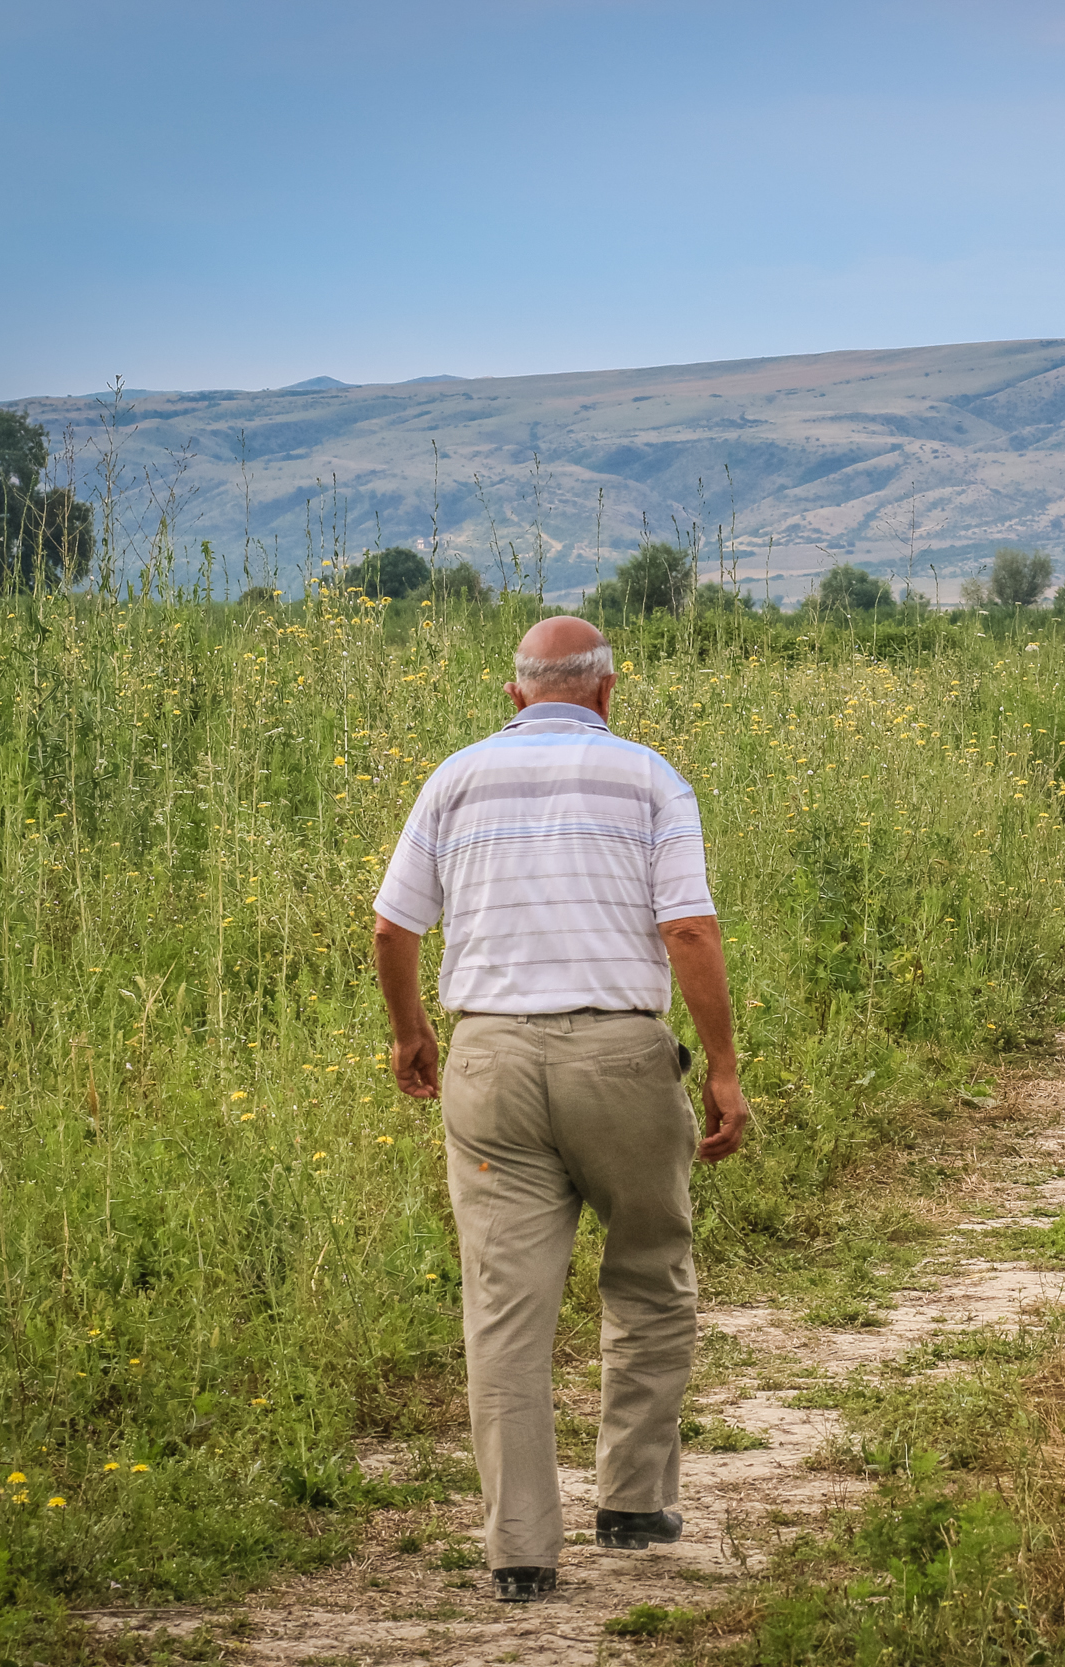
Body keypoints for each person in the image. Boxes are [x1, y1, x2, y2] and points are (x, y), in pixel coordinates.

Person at [371, 615, 752, 1604]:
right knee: (649, 1267)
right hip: (621, 1057)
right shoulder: (648, 777)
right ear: (607, 692)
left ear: (514, 698)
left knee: (504, 1308)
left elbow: (392, 922)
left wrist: (412, 1031)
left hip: (490, 1058)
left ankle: (521, 1553)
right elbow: (688, 928)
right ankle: (630, 1500)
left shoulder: (454, 778)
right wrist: (720, 1065)